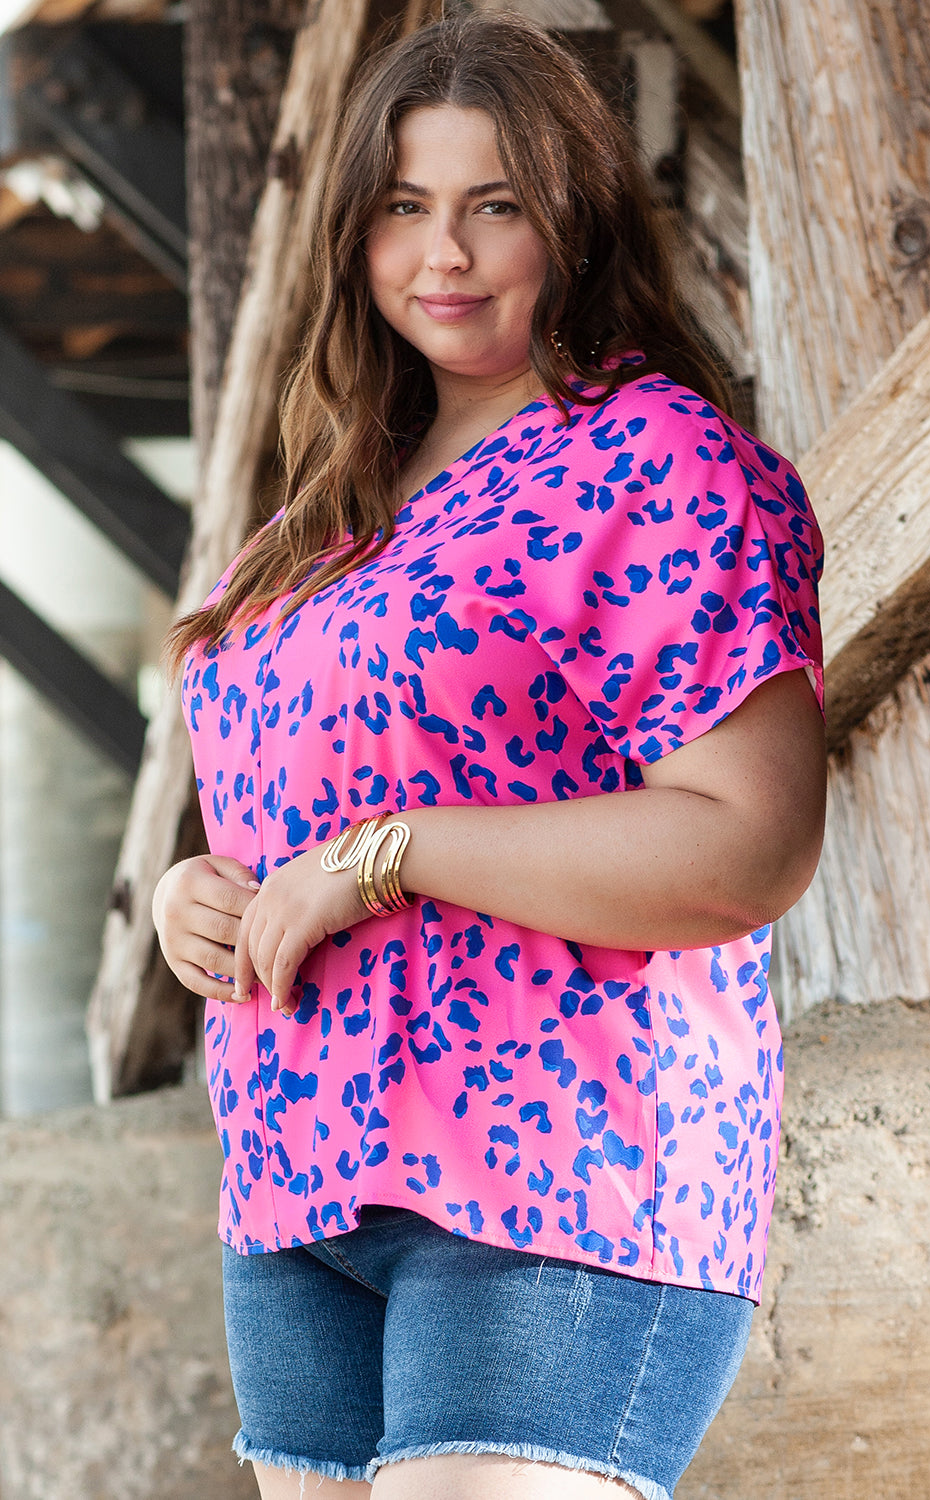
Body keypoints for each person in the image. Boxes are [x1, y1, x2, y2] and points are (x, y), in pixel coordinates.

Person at [152, 12, 826, 1500]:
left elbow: (749, 842)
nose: (442, 254)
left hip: (557, 1172)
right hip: (300, 1185)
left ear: (575, 217)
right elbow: (299, 806)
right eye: (403, 205)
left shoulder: (658, 460)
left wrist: (383, 859)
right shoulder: (324, 515)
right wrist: (196, 896)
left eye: (494, 203)